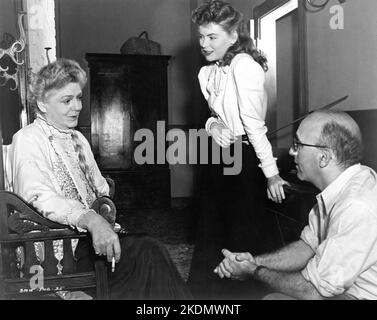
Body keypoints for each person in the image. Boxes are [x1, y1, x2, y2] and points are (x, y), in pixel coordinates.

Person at [9, 58, 192, 300]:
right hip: (57, 253)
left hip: (84, 241)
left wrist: (99, 195)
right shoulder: (28, 139)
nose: (77, 107)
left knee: (149, 252)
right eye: (66, 100)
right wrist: (91, 219)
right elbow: (38, 197)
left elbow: (99, 189)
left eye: (79, 98)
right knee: (147, 253)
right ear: (42, 104)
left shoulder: (77, 139)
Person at [214, 110, 377, 300]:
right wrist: (252, 261)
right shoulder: (344, 186)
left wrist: (253, 271)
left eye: (297, 144)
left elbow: (312, 291)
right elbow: (307, 247)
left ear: (324, 157)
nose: (291, 151)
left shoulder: (356, 205)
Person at [187, 0, 287, 299]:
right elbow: (212, 117)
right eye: (202, 36)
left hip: (245, 161)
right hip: (219, 158)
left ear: (233, 36)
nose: (204, 44)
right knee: (210, 231)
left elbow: (255, 128)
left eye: (212, 37)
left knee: (242, 237)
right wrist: (212, 126)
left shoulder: (245, 66)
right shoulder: (207, 73)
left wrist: (271, 175)